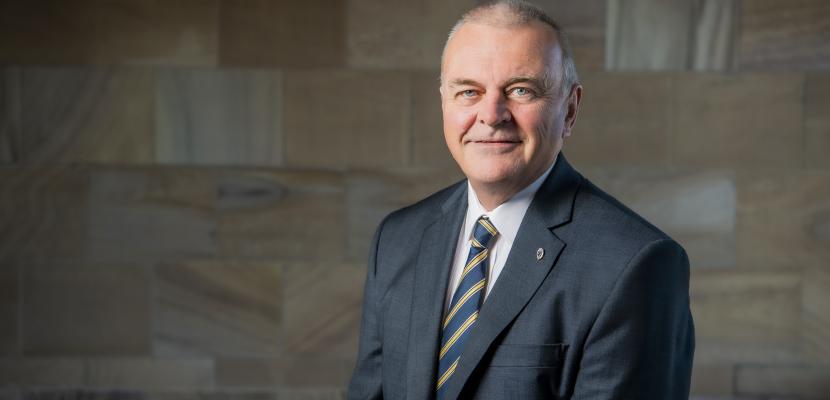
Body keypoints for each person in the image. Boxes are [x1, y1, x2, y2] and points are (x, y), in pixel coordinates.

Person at [347, 1, 694, 399]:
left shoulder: (636, 263)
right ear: (444, 103)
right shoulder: (397, 239)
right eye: (468, 92)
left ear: (570, 110)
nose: (491, 114)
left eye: (520, 90)